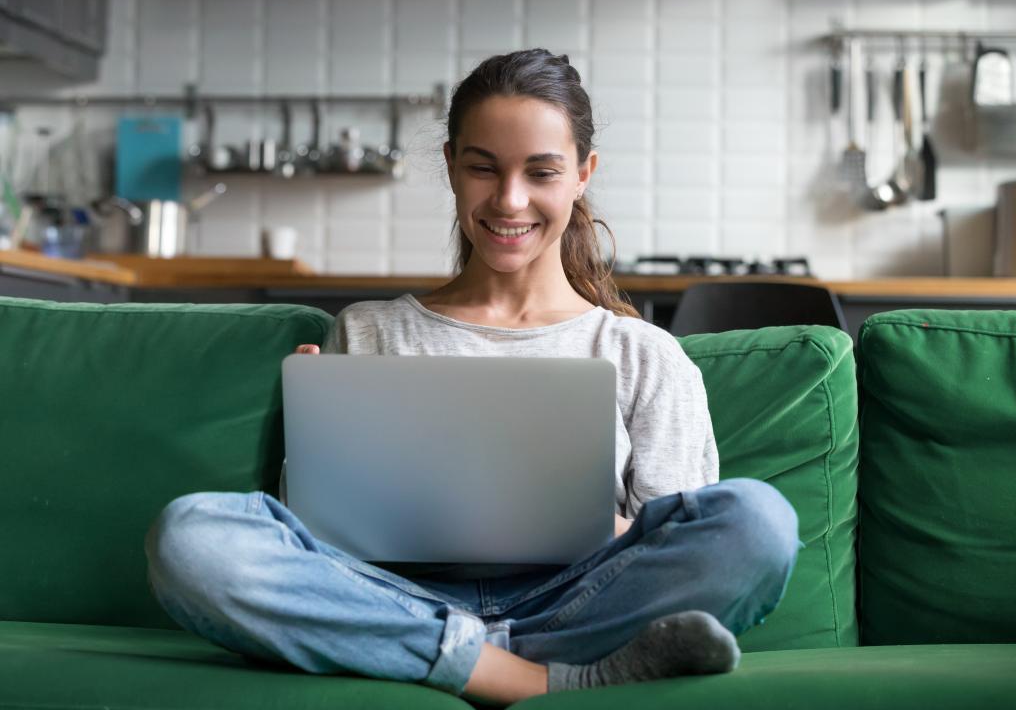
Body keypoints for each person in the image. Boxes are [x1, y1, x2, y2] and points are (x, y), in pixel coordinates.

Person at [145, 48, 803, 707]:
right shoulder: (369, 331)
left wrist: (604, 526)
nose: (510, 200)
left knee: (759, 522)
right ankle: (528, 676)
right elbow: (322, 543)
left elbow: (674, 543)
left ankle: (439, 660)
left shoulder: (643, 354)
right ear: (453, 169)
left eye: (540, 172)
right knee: (192, 537)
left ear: (582, 175)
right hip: (396, 598)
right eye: (483, 168)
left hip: (576, 604)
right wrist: (313, 447)